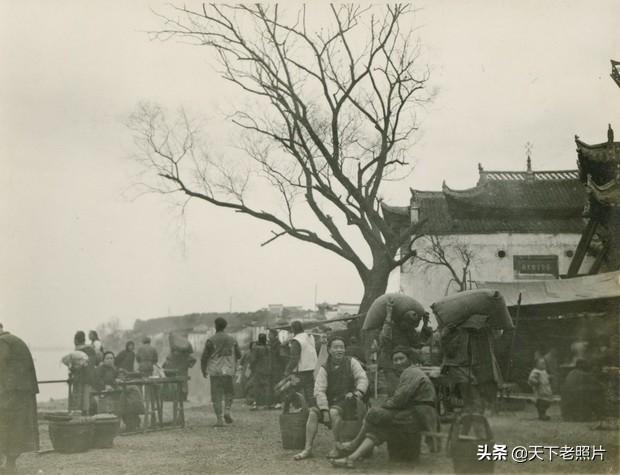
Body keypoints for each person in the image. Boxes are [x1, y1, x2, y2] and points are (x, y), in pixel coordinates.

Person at [332, 346, 439, 469]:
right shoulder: (408, 372)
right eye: (395, 360)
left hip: (421, 414)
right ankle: (351, 458)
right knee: (380, 426)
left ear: (409, 359)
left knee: (374, 413)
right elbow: (400, 399)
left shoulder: (411, 372)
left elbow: (399, 399)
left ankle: (353, 444)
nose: (398, 362)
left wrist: (384, 407)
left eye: (401, 359)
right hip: (414, 412)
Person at [293, 336, 368, 461]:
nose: (339, 350)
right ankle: (308, 448)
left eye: (342, 347)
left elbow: (362, 378)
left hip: (348, 399)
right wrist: (323, 409)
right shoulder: (325, 367)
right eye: (336, 347)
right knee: (312, 413)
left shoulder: (351, 362)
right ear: (329, 350)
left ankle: (336, 446)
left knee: (334, 412)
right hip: (330, 400)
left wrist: (358, 392)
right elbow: (319, 389)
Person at [0, 326, 39, 474]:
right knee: (17, 428)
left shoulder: (2, 342)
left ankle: (7, 464)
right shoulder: (15, 340)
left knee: (5, 426)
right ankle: (10, 464)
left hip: (12, 393)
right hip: (23, 392)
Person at [378, 299, 432, 395]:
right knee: (394, 391)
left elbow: (418, 343)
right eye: (406, 323)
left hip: (405, 364)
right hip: (390, 364)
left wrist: (425, 323)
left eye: (410, 324)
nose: (408, 326)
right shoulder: (391, 327)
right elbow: (384, 337)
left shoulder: (410, 331)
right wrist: (389, 313)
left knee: (408, 391)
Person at [201, 317, 241, 427]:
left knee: (216, 395)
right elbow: (239, 355)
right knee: (229, 392)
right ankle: (227, 410)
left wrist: (203, 370)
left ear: (215, 326)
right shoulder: (232, 340)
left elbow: (204, 357)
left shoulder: (211, 340)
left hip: (215, 371)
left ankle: (219, 419)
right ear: (225, 326)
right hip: (228, 370)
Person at [92, 350, 144, 431]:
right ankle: (133, 419)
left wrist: (118, 380)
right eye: (108, 358)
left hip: (115, 391)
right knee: (127, 396)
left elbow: (116, 378)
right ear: (104, 360)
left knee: (132, 393)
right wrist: (104, 386)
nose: (110, 360)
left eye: (112, 358)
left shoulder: (114, 369)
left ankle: (134, 418)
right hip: (106, 392)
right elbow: (96, 381)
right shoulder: (100, 369)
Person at [284, 320, 318, 406]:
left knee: (291, 388)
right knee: (310, 391)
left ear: (293, 329)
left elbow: (294, 358)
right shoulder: (310, 337)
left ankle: (296, 408)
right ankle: (313, 410)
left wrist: (287, 370)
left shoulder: (296, 341)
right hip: (312, 369)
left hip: (300, 372)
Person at [66, 331, 97, 414]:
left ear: (76, 340)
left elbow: (75, 367)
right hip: (89, 378)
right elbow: (95, 362)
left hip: (79, 378)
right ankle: (87, 414)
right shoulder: (91, 349)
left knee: (78, 400)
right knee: (87, 398)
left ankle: (79, 416)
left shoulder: (77, 352)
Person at [250, 333, 271, 410]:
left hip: (258, 370)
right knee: (266, 387)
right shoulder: (269, 348)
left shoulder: (256, 348)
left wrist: (252, 368)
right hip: (267, 369)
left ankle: (257, 404)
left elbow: (253, 360)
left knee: (257, 387)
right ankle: (267, 404)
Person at [268, 329, 285, 408]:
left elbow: (281, 357)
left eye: (270, 334)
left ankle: (279, 402)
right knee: (272, 385)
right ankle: (273, 402)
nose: (268, 336)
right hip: (271, 367)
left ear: (274, 335)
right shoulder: (270, 344)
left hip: (277, 368)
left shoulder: (278, 345)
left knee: (277, 385)